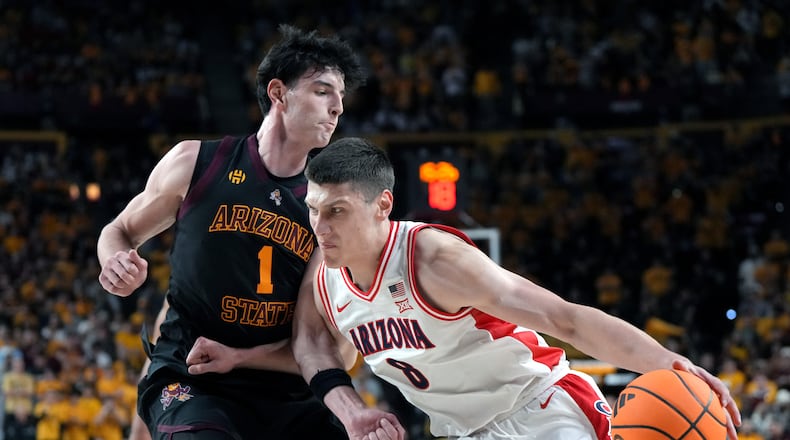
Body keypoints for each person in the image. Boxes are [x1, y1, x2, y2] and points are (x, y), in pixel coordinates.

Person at [292, 137, 743, 439]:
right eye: (314, 209)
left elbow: (563, 319)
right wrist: (351, 412)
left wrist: (667, 361)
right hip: (459, 432)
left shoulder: (434, 260)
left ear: (381, 206)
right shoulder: (324, 279)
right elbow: (313, 346)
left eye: (337, 211)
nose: (320, 226)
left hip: (539, 410)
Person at [97, 25, 403, 440]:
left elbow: (334, 351)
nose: (338, 108)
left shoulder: (326, 208)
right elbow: (119, 230)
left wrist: (241, 358)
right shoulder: (195, 162)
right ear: (278, 93)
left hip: (286, 393)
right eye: (323, 91)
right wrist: (114, 262)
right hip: (192, 378)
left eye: (341, 97)